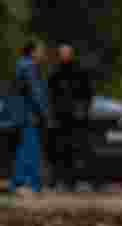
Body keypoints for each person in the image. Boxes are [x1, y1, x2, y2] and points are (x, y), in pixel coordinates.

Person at [47, 43, 93, 193]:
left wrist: (84, 110)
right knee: (61, 150)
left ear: (71, 54)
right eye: (62, 53)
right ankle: (63, 181)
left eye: (67, 53)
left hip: (78, 119)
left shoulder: (80, 71)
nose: (64, 56)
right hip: (61, 118)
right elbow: (51, 95)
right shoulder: (55, 72)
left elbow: (88, 94)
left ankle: (76, 181)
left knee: (78, 149)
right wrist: (53, 114)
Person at [11, 41, 50, 197]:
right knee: (31, 150)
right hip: (29, 115)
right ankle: (28, 185)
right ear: (32, 52)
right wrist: (46, 114)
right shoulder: (29, 67)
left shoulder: (22, 65)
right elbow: (37, 94)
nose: (43, 54)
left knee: (25, 148)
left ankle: (25, 184)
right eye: (40, 51)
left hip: (24, 114)